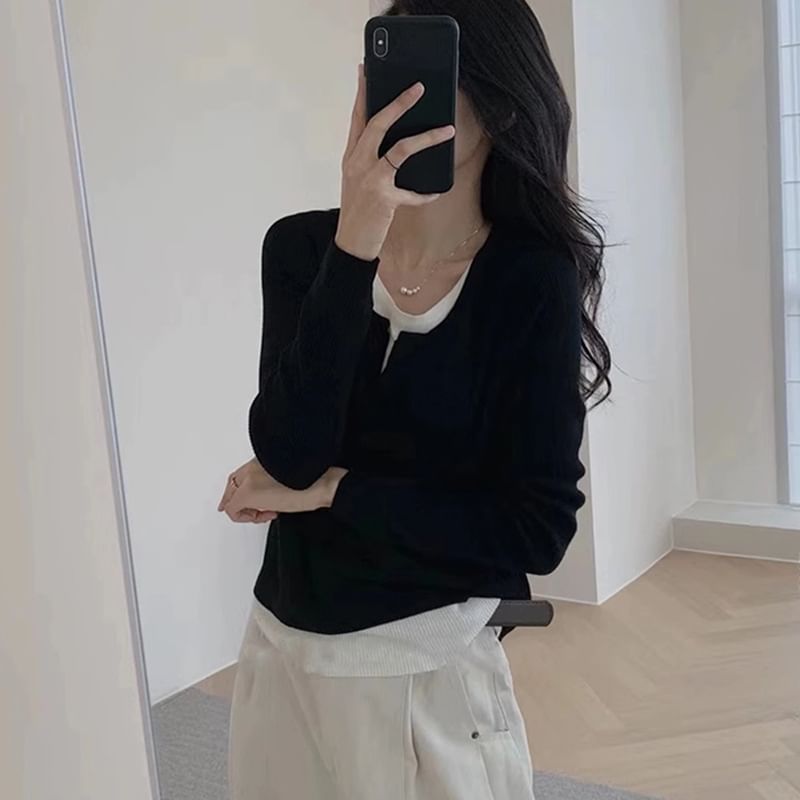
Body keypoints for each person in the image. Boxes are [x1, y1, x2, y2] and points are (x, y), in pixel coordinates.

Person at [217, 1, 611, 798]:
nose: (394, 103)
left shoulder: (529, 279)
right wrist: (355, 243)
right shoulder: (302, 249)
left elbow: (533, 530)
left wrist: (335, 492)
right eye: (382, 72)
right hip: (282, 653)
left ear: (499, 106)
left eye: (427, 78)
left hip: (427, 675)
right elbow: (289, 450)